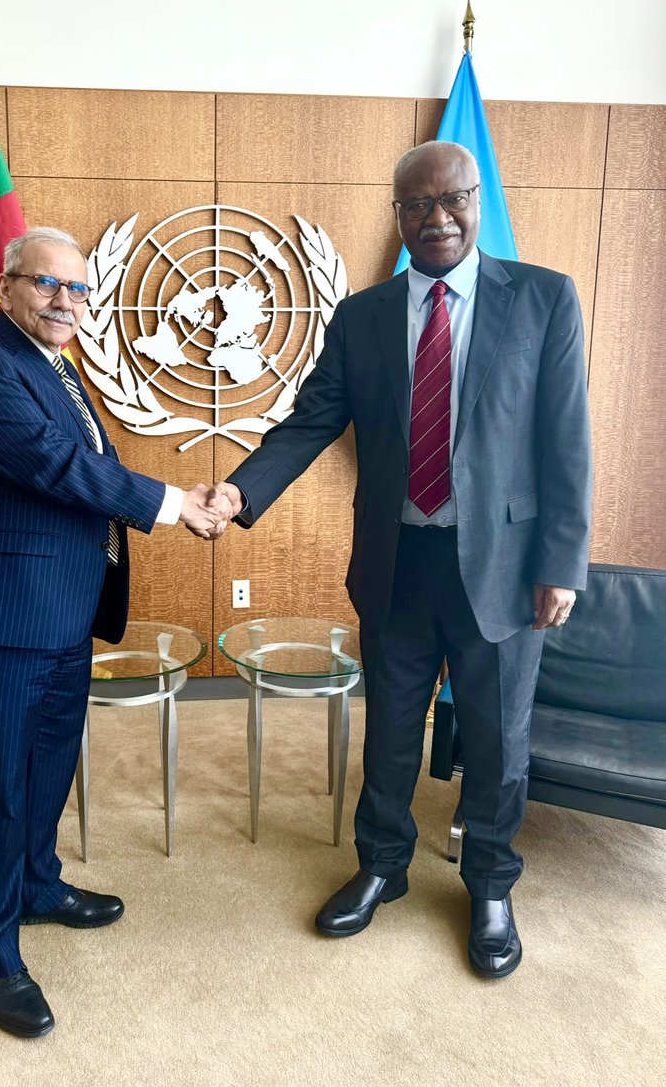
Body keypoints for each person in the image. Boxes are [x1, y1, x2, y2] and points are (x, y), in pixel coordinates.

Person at [202, 141, 592, 978]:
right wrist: (239, 492)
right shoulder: (362, 316)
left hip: (506, 569)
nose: (436, 218)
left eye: (451, 199)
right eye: (416, 205)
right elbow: (311, 421)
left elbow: (566, 440)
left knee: (496, 738)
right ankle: (381, 864)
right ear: (397, 215)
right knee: (387, 730)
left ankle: (489, 882)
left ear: (476, 199)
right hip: (395, 560)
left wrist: (560, 562)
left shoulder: (544, 299)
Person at [0, 226, 230, 1036]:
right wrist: (171, 503)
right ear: (6, 285)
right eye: (47, 285)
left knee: (50, 761)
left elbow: (68, 467)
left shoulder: (56, 363)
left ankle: (35, 884)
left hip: (60, 606)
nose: (66, 301)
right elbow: (47, 459)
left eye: (79, 288)